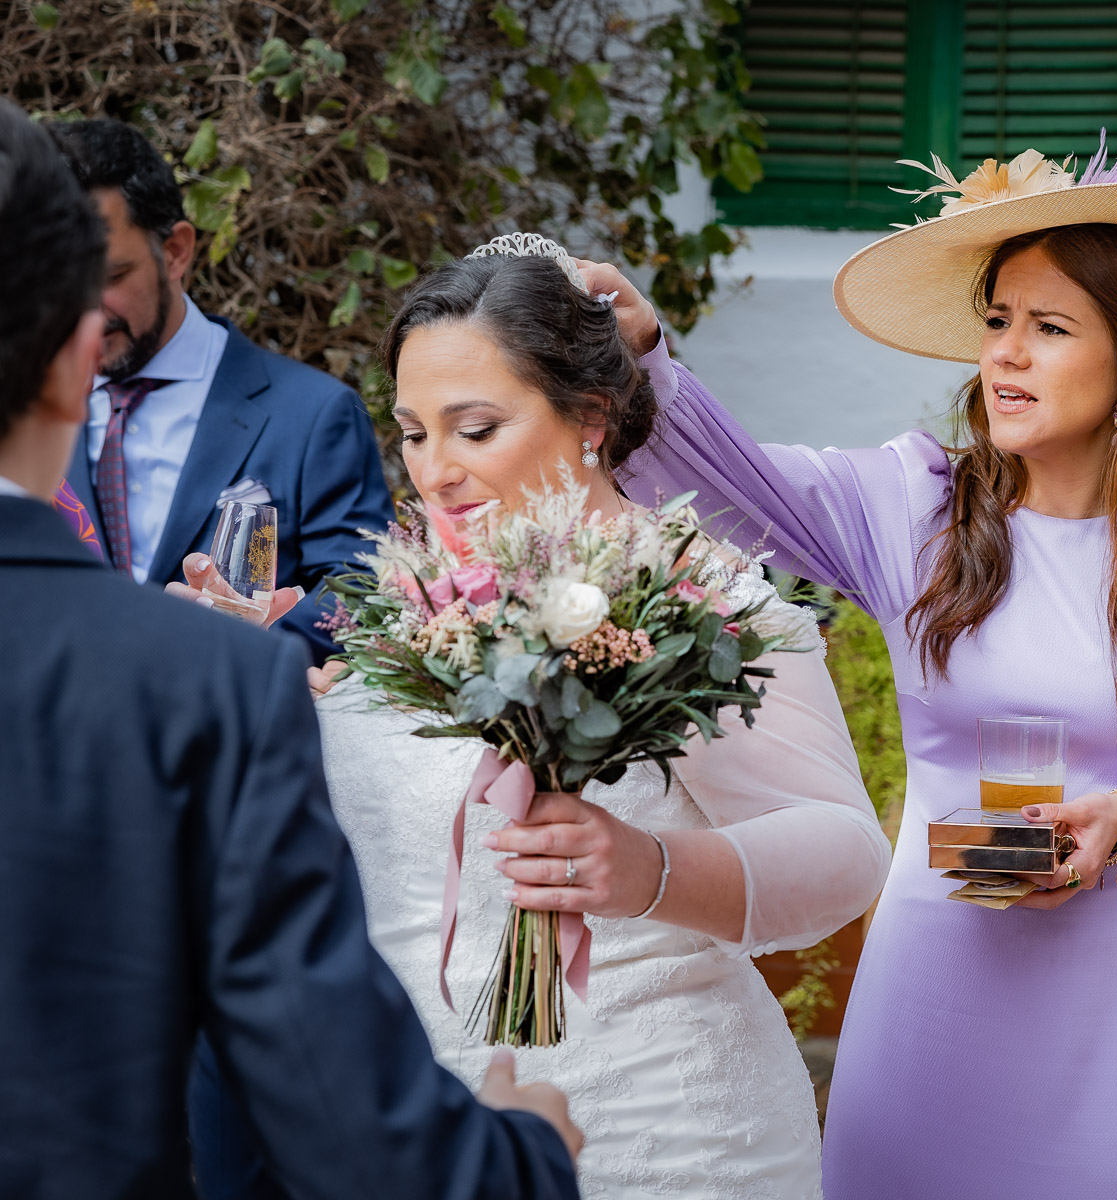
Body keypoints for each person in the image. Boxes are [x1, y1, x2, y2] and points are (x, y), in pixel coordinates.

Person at [596, 89, 1117, 1196]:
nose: (1006, 356)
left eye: (1051, 326)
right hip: (934, 989)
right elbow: (727, 487)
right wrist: (641, 353)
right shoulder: (917, 507)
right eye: (998, 321)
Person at [220, 242, 890, 1199]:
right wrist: (243, 692)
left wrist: (649, 869)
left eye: (476, 429)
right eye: (413, 434)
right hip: (421, 1134)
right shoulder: (398, 612)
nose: (435, 472)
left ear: (590, 416)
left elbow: (845, 854)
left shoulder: (707, 603)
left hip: (659, 1131)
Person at [0, 100, 581, 1199]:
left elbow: (358, 591)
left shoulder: (304, 416)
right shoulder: (207, 690)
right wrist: (529, 1150)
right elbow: (365, 1143)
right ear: (78, 354)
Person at [49, 117, 395, 664]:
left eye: (107, 276)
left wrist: (237, 639)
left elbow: (365, 594)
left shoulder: (313, 414)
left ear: (176, 252)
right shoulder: (22, 415)